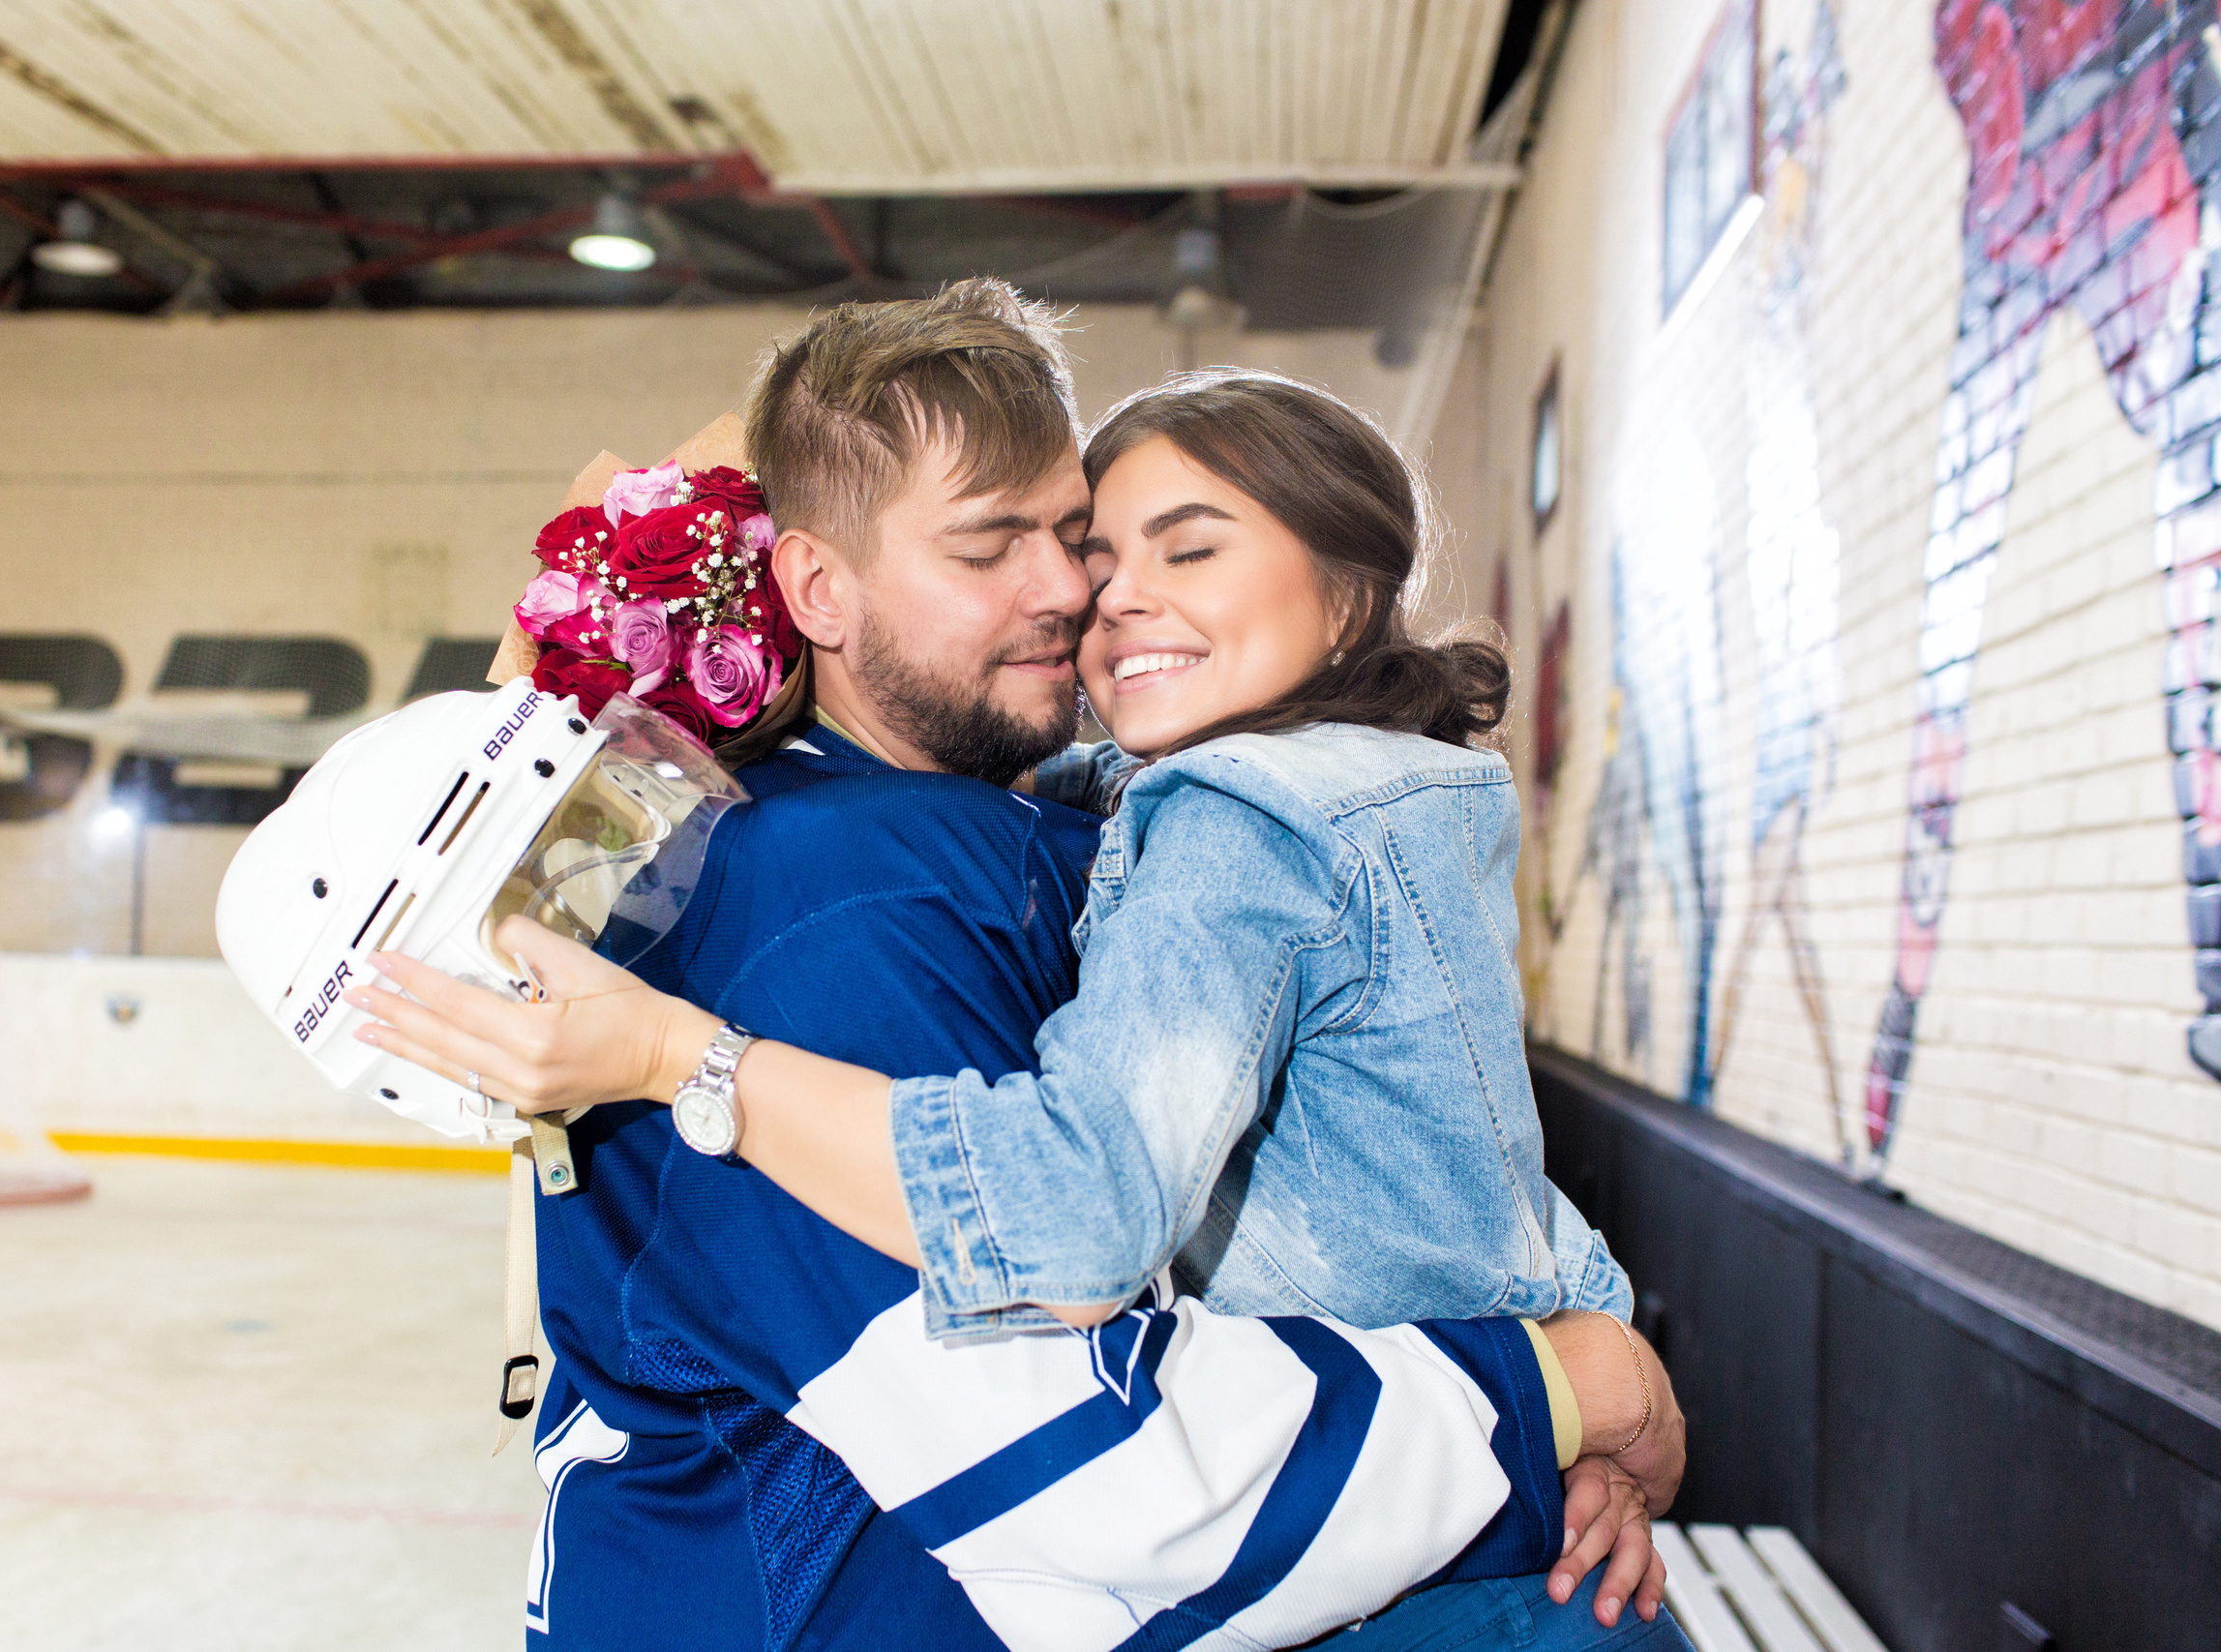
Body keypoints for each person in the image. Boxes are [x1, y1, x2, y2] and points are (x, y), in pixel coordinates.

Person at [352, 280, 1687, 1650]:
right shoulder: (829, 904)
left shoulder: (1068, 807)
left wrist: (1564, 1371)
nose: (1073, 594)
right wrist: (1549, 1394)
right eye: (991, 546)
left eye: (1072, 537)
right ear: (815, 585)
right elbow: (1104, 1485)